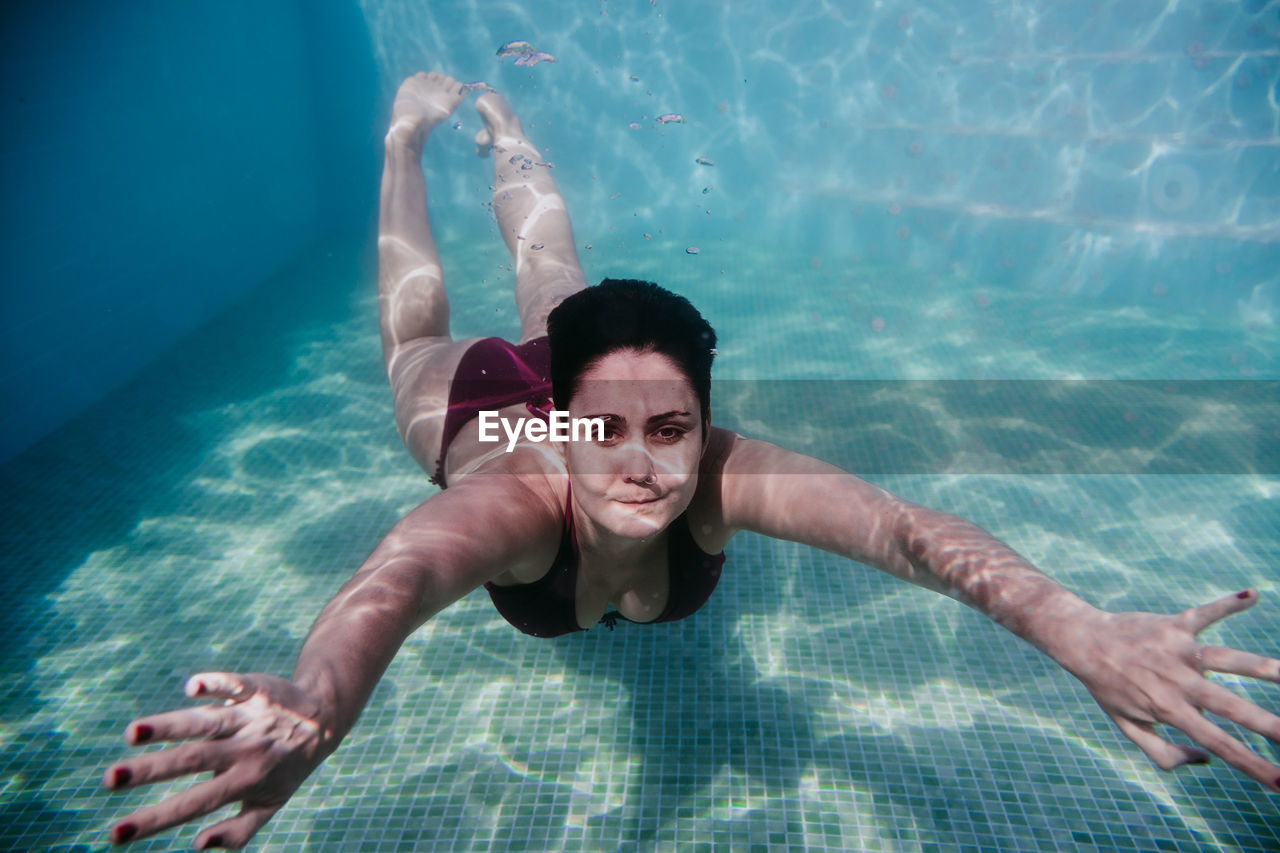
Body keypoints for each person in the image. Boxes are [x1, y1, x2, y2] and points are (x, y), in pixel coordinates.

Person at [102, 72, 1279, 849]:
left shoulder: (713, 467)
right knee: (414, 334)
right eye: (608, 428)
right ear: (565, 417)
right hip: (496, 425)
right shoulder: (512, 499)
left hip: (565, 382)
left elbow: (903, 531)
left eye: (669, 430)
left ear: (701, 421)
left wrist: (1076, 629)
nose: (641, 469)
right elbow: (396, 581)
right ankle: (407, 141)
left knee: (559, 280)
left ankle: (509, 138)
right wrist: (319, 694)